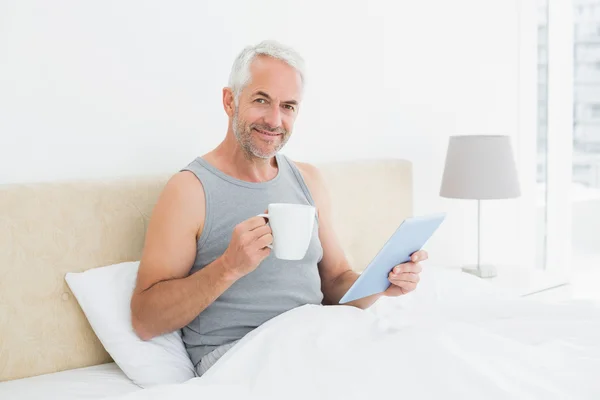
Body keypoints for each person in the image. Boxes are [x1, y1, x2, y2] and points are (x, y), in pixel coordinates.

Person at [130, 40, 427, 376]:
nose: (274, 120)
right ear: (230, 100)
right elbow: (145, 319)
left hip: (315, 340)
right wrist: (228, 266)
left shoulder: (308, 179)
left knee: (422, 364)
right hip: (243, 357)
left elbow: (336, 283)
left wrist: (380, 282)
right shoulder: (190, 189)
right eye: (261, 100)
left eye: (288, 106)